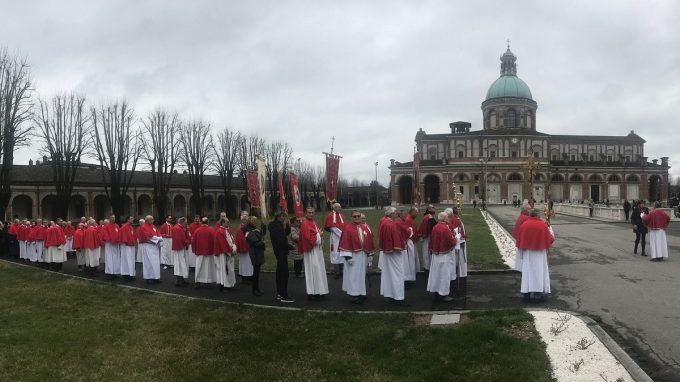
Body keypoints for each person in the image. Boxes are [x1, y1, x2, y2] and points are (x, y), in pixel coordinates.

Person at [516, 208, 555, 303]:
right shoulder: (542, 225)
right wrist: (550, 229)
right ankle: (538, 294)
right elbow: (551, 239)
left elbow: (519, 241)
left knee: (527, 274)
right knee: (538, 273)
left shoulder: (524, 225)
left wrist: (521, 255)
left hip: (527, 254)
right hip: (539, 254)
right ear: (538, 216)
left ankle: (527, 295)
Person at [378, 207, 408, 306]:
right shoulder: (390, 224)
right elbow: (394, 239)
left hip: (388, 253)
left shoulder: (385, 222)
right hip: (394, 254)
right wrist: (400, 247)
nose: (397, 215)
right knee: (397, 275)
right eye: (395, 213)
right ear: (391, 214)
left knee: (390, 275)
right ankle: (398, 297)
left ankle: (392, 295)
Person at [339, 210, 370, 304]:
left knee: (361, 275)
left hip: (362, 255)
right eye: (354, 216)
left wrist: (369, 253)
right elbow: (345, 242)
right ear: (351, 217)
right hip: (353, 256)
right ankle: (354, 295)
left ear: (361, 217)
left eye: (358, 216)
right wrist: (348, 257)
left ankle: (361, 293)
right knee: (353, 276)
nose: (356, 218)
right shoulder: (348, 228)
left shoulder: (364, 227)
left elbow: (368, 241)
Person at [298, 207, 329, 300]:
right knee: (313, 270)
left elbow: (315, 234)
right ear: (305, 213)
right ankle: (313, 292)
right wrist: (319, 234)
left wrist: (319, 234)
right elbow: (308, 238)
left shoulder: (313, 222)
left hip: (317, 251)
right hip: (311, 251)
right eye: (309, 212)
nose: (311, 214)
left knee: (318, 270)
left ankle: (320, 290)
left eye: (312, 212)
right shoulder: (305, 224)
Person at [427, 211, 456, 302]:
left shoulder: (435, 227)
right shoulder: (444, 228)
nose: (448, 218)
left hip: (436, 256)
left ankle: (437, 293)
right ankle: (443, 294)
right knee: (444, 276)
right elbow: (450, 241)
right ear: (443, 218)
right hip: (444, 256)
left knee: (436, 275)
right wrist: (456, 239)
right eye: (447, 217)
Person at [269, 211, 295, 302]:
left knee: (280, 273)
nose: (284, 218)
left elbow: (284, 234)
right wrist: (291, 247)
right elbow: (281, 241)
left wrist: (287, 225)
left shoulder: (278, 225)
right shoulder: (275, 227)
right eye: (283, 216)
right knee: (284, 274)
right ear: (278, 217)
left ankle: (280, 293)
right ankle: (284, 295)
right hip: (280, 252)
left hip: (281, 252)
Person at [244, 216, 266, 296]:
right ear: (251, 221)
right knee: (255, 272)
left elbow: (262, 233)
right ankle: (254, 289)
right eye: (254, 220)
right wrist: (262, 243)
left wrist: (263, 225)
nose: (256, 222)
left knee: (257, 271)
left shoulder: (254, 230)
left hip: (258, 252)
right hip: (254, 253)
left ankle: (257, 288)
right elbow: (254, 242)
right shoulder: (248, 231)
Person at [214, 217, 238, 292]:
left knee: (229, 270)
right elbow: (223, 245)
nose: (229, 223)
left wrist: (234, 247)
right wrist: (231, 251)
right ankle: (223, 286)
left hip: (229, 252)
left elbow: (231, 240)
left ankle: (229, 284)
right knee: (224, 270)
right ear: (223, 223)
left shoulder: (226, 230)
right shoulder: (220, 231)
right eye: (227, 222)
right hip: (224, 254)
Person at [138, 215, 163, 284]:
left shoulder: (153, 226)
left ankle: (156, 277)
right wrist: (159, 239)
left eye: (153, 219)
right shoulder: (143, 227)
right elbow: (149, 237)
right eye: (151, 219)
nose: (153, 221)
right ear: (147, 220)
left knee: (156, 263)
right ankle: (149, 278)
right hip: (147, 246)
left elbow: (158, 233)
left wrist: (159, 238)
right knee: (148, 262)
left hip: (154, 246)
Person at [192, 217, 215, 288]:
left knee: (199, 267)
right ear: (208, 222)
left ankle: (198, 282)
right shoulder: (211, 230)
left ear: (201, 222)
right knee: (208, 267)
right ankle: (208, 282)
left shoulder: (197, 230)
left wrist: (194, 250)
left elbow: (193, 241)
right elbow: (214, 241)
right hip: (209, 252)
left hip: (199, 252)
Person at [325, 202, 346, 279]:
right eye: (338, 207)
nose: (340, 208)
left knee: (342, 253)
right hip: (335, 238)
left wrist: (344, 235)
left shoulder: (341, 215)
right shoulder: (330, 215)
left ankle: (341, 271)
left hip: (342, 237)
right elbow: (332, 227)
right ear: (334, 208)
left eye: (340, 207)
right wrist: (343, 235)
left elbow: (345, 226)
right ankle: (336, 272)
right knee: (335, 253)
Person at [449, 207, 468, 287]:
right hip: (459, 243)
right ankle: (460, 274)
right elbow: (458, 232)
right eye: (459, 210)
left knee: (461, 259)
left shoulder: (457, 219)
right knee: (460, 259)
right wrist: (461, 240)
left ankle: (461, 273)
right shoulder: (455, 220)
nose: (461, 211)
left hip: (461, 241)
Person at [403, 207, 420, 287]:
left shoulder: (411, 219)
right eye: (416, 212)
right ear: (412, 212)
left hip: (413, 242)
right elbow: (407, 232)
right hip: (410, 243)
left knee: (413, 260)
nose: (417, 214)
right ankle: (409, 278)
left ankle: (412, 276)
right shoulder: (408, 220)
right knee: (410, 261)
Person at [235, 211, 254, 283]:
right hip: (245, 249)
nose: (246, 221)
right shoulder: (241, 228)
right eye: (245, 220)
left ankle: (250, 276)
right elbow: (241, 239)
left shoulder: (247, 226)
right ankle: (245, 278)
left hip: (249, 248)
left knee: (249, 263)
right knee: (245, 263)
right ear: (242, 220)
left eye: (247, 220)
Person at [512, 203, 532, 272]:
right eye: (529, 209)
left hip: (520, 240)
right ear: (525, 210)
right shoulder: (527, 218)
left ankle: (520, 269)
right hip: (524, 242)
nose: (531, 210)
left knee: (520, 258)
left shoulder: (522, 216)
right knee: (525, 259)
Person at [171, 217, 190, 286]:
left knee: (181, 264)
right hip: (179, 248)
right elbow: (181, 239)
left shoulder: (178, 227)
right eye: (186, 222)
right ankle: (179, 281)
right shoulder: (178, 228)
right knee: (179, 264)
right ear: (182, 222)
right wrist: (188, 241)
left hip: (179, 248)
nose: (186, 224)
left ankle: (181, 279)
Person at [418, 204, 436, 274]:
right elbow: (426, 227)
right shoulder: (428, 217)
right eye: (432, 207)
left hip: (430, 237)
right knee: (427, 253)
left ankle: (429, 267)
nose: (434, 208)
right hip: (428, 237)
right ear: (429, 209)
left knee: (429, 253)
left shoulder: (430, 216)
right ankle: (427, 269)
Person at [101, 214, 121, 280]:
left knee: (115, 259)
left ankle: (114, 273)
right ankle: (109, 273)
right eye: (112, 217)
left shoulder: (117, 226)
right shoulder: (106, 227)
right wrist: (110, 239)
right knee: (109, 259)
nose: (113, 219)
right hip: (109, 244)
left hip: (115, 245)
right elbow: (105, 235)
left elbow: (119, 234)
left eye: (114, 217)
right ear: (109, 219)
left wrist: (118, 240)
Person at [118, 216, 137, 281]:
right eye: (131, 219)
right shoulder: (124, 227)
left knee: (131, 260)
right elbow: (123, 236)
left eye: (132, 218)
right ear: (128, 220)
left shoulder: (131, 227)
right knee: (126, 260)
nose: (132, 220)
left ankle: (130, 274)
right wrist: (126, 242)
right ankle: (125, 275)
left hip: (131, 246)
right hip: (126, 246)